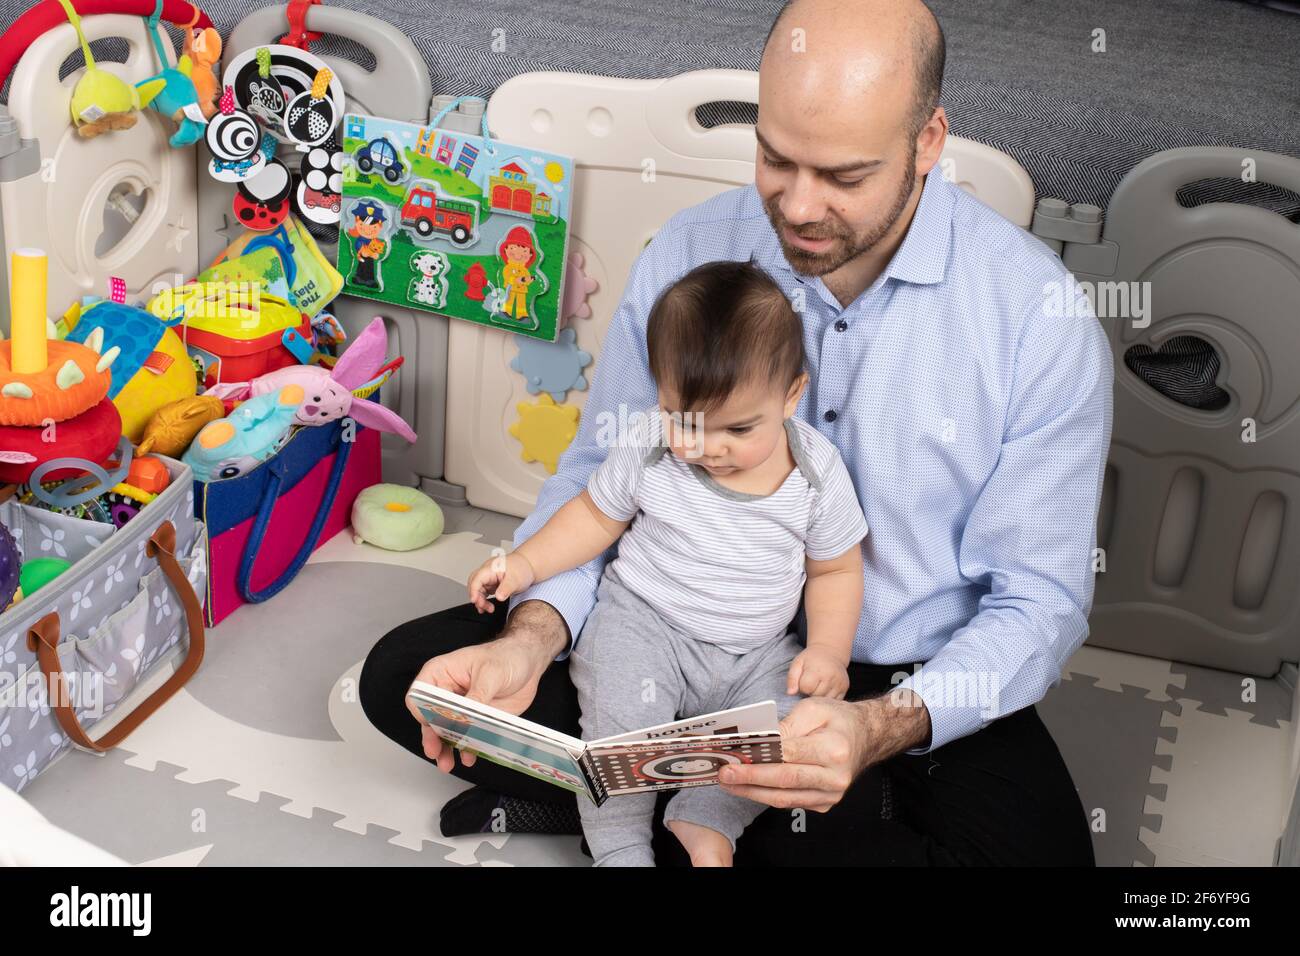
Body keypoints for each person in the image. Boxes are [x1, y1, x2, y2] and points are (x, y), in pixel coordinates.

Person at [359, 0, 1112, 866]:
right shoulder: (693, 252)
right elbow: (605, 473)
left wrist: (878, 726)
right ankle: (660, 803)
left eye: (844, 176)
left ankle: (636, 803)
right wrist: (533, 636)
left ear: (928, 142)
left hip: (892, 674)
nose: (798, 205)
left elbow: (1039, 601)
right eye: (775, 158)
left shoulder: (1034, 316)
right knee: (409, 681)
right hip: (667, 624)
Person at [460, 260, 868, 866]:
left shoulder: (815, 473)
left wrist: (829, 653)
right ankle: (620, 845)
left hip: (755, 652)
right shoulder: (651, 444)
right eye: (686, 420)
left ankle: (704, 820)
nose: (706, 448)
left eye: (737, 428)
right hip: (644, 623)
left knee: (789, 728)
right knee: (618, 731)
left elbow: (835, 570)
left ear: (791, 396)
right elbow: (595, 517)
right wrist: (523, 564)